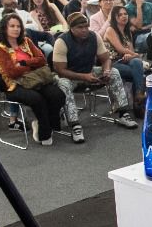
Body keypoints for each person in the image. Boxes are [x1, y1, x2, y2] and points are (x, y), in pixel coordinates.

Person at [53, 12, 137, 141]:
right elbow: (60, 70)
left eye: (86, 26)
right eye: (80, 27)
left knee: (114, 72)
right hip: (70, 76)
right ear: (71, 28)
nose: (85, 30)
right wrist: (83, 77)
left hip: (89, 71)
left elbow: (106, 59)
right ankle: (75, 125)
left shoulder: (94, 36)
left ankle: (122, 113)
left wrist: (107, 70)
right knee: (63, 84)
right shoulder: (62, 41)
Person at [0, 12, 65, 146]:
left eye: (18, 26)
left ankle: (45, 122)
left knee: (58, 95)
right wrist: (32, 64)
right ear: (4, 28)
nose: (16, 29)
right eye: (12, 26)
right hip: (15, 85)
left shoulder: (26, 41)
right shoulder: (0, 48)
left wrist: (24, 63)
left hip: (36, 79)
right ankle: (45, 133)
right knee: (37, 99)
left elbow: (42, 59)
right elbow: (12, 72)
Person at [101, 3, 147, 111]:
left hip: (126, 61)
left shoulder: (127, 31)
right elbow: (120, 49)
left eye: (125, 14)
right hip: (112, 63)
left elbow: (129, 51)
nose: (124, 16)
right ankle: (139, 102)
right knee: (139, 73)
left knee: (136, 63)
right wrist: (134, 54)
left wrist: (131, 55)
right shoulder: (110, 30)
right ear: (114, 17)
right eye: (120, 15)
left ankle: (138, 96)